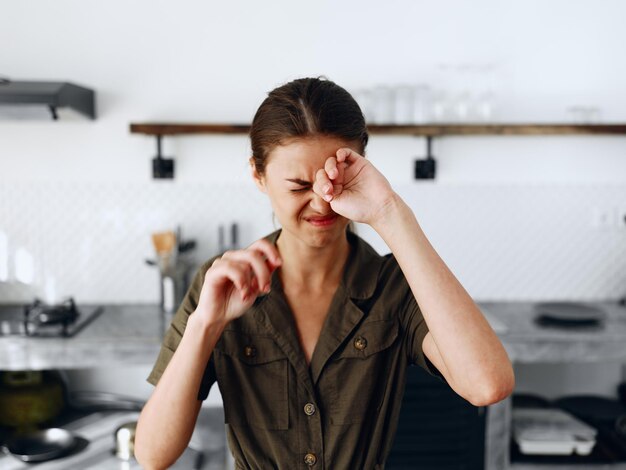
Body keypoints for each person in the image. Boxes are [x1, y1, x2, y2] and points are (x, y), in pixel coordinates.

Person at [135, 77, 515, 469]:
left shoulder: (393, 288)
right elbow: (152, 455)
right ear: (258, 175)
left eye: (335, 182)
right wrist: (205, 325)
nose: (322, 203)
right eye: (299, 186)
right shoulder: (220, 285)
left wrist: (389, 213)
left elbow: (487, 385)